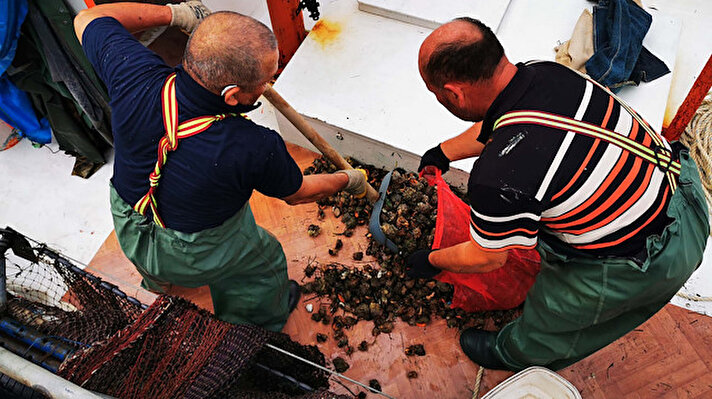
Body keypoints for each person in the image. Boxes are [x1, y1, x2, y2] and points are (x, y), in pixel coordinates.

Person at [408, 17, 709, 371]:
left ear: (454, 92)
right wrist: (443, 153)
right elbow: (502, 122)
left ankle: (514, 353)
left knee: (554, 314)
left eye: (437, 92)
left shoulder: (496, 178)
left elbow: (488, 257)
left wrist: (430, 261)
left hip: (651, 261)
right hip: (684, 193)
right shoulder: (544, 72)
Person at [73, 2, 368, 332]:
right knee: (263, 259)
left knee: (156, 228)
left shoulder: (132, 72)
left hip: (129, 225)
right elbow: (298, 194)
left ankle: (157, 283)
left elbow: (87, 18)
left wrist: (175, 14)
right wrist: (347, 179)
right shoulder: (255, 146)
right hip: (192, 253)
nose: (268, 85)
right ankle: (255, 324)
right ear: (232, 95)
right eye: (267, 80)